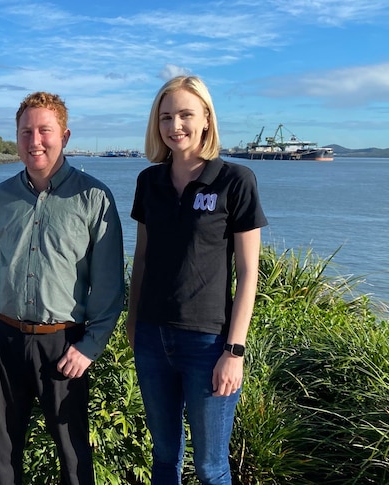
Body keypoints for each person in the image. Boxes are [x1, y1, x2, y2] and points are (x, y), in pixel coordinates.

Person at [0, 91, 125, 484]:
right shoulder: (1, 196)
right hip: (2, 339)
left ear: (65, 136)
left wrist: (90, 347)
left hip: (64, 345)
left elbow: (109, 285)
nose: (34, 141)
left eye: (44, 131)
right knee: (2, 453)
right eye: (25, 132)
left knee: (73, 457)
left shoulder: (94, 198)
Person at [126, 75, 267, 484]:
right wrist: (134, 322)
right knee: (164, 457)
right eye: (166, 117)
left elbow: (248, 273)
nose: (175, 126)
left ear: (206, 118)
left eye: (186, 114)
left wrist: (234, 351)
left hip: (208, 343)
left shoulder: (235, 181)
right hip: (152, 337)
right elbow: (142, 259)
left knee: (210, 466)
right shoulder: (149, 181)